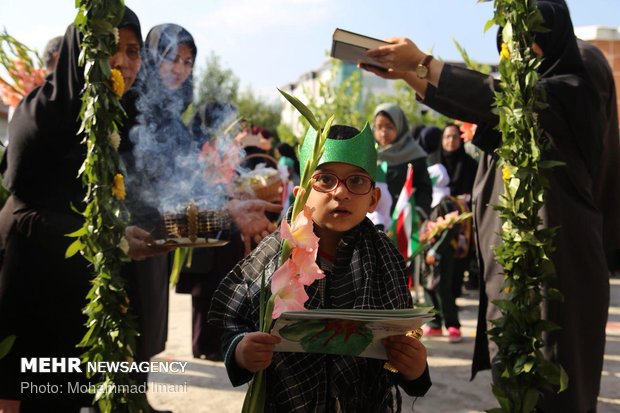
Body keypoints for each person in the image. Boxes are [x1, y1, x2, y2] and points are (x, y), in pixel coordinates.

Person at [361, 1, 608, 411]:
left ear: (550, 40)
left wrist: (421, 63)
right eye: (506, 50)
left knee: (555, 392)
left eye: (524, 46)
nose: (513, 60)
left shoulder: (570, 92)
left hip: (559, 280)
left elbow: (491, 97)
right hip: (507, 287)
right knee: (512, 389)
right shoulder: (516, 115)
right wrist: (405, 72)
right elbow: (482, 105)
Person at [209, 123, 431, 412]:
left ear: (374, 198)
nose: (340, 193)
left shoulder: (384, 258)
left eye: (357, 181)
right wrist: (240, 350)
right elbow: (232, 322)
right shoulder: (277, 251)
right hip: (286, 401)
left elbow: (401, 337)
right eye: (325, 179)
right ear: (301, 194)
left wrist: (414, 369)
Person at [0, 8, 152, 412]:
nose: (122, 62)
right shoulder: (40, 117)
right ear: (80, 51)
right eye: (109, 48)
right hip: (35, 291)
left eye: (133, 51)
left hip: (91, 295)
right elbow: (22, 218)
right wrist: (111, 241)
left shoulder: (124, 118)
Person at [175, 101, 245, 361]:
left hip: (224, 220)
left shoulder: (222, 146)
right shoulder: (203, 148)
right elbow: (205, 184)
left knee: (220, 285)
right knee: (207, 286)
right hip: (209, 221)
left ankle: (209, 343)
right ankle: (204, 344)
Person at [429, 124, 478, 295]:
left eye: (455, 136)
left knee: (458, 261)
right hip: (438, 222)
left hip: (462, 223)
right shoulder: (432, 161)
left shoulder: (470, 164)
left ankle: (454, 297)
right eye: (447, 136)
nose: (451, 141)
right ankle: (439, 303)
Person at [372, 102, 432, 216]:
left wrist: (419, 215)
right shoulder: (371, 154)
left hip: (404, 221)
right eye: (379, 127)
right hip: (374, 221)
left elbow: (424, 190)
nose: (383, 132)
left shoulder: (414, 155)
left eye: (389, 127)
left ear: (400, 126)